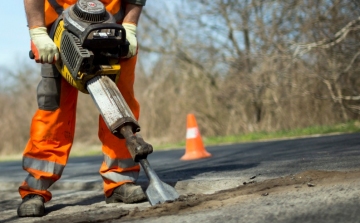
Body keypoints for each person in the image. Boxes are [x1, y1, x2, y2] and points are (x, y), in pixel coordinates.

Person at [18, 0, 147, 217]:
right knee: (53, 112)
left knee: (120, 105)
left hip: (113, 30)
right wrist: (38, 31)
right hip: (59, 31)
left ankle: (120, 180)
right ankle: (35, 189)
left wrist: (130, 26)